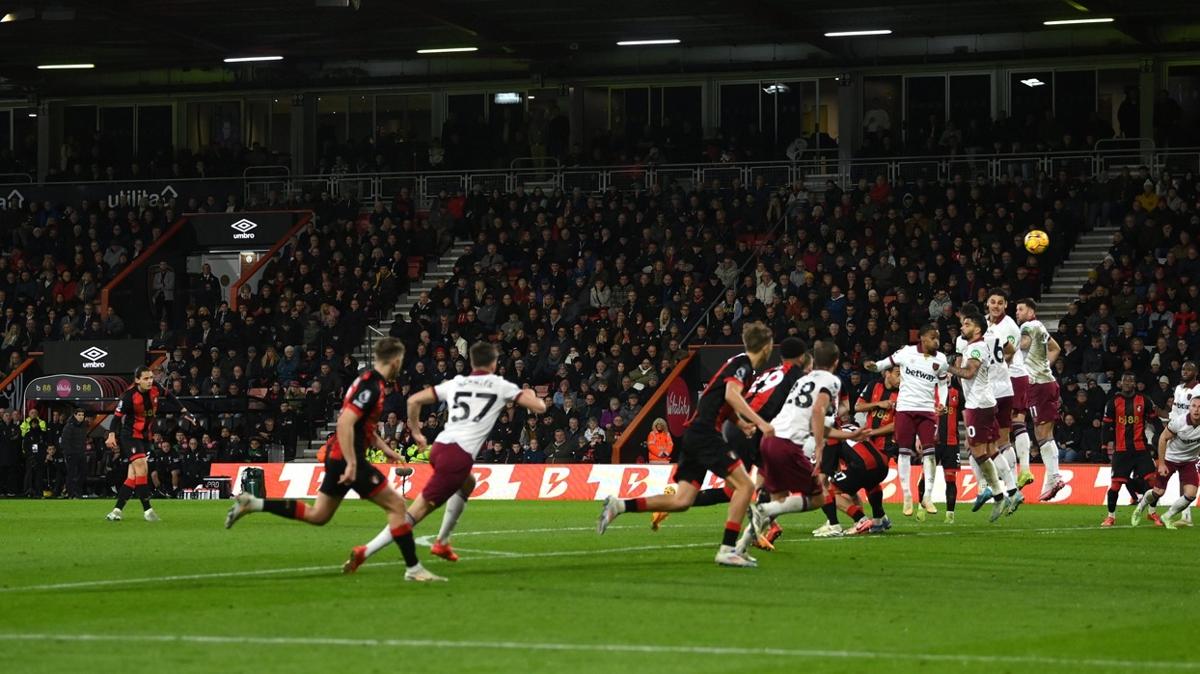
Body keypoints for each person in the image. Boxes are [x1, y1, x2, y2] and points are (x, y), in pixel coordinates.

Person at [225, 338, 445, 583]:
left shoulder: (367, 381)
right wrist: (352, 463)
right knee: (397, 506)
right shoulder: (372, 387)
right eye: (400, 361)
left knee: (318, 515)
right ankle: (414, 569)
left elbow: (363, 426)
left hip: (338, 455)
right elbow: (345, 422)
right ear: (394, 361)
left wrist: (385, 449)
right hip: (346, 457)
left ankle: (253, 504)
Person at [343, 341, 547, 573]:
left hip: (440, 446)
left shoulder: (457, 382)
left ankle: (442, 542)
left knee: (468, 482)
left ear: (471, 362)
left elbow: (413, 400)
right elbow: (540, 407)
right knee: (414, 513)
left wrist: (417, 432)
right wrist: (529, 393)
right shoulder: (500, 385)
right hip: (457, 456)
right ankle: (364, 551)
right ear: (493, 363)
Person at [596, 322, 777, 568]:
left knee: (682, 501)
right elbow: (730, 396)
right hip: (705, 433)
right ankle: (728, 549)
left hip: (695, 434)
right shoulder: (743, 365)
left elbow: (720, 399)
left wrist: (741, 423)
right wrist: (761, 423)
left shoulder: (738, 363)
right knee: (745, 486)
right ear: (766, 347)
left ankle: (619, 505)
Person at [650, 337, 807, 539]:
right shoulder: (795, 375)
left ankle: (766, 526)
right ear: (801, 358)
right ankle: (676, 500)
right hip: (749, 429)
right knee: (736, 490)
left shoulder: (770, 371)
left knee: (766, 480)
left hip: (748, 428)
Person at [751, 341, 865, 541]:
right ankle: (838, 521)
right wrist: (820, 446)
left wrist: (847, 434)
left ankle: (752, 535)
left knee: (779, 489)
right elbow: (818, 412)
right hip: (798, 441)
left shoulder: (801, 380)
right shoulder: (832, 381)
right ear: (836, 362)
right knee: (819, 490)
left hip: (771, 437)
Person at [864, 323, 949, 519]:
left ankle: (927, 496)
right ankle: (907, 496)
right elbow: (883, 364)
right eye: (933, 338)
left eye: (938, 338)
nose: (937, 342)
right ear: (922, 339)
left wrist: (942, 403)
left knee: (929, 453)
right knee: (904, 452)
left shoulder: (941, 360)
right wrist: (873, 366)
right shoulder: (906, 353)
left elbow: (943, 384)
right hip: (905, 409)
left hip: (927, 411)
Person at [946, 308, 1012, 521]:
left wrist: (945, 367)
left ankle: (997, 493)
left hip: (979, 405)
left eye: (966, 325)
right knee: (991, 449)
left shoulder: (976, 349)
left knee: (976, 450)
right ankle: (1007, 491)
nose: (962, 327)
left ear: (976, 328)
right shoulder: (975, 346)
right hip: (985, 402)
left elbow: (968, 373)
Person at [105, 367, 193, 522]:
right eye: (146, 378)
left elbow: (170, 396)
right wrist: (112, 435)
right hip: (130, 436)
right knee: (142, 469)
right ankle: (148, 511)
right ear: (137, 380)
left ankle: (116, 511)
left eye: (151, 378)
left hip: (146, 438)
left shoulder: (155, 388)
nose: (150, 381)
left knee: (133, 476)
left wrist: (184, 411)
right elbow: (116, 418)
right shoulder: (128, 396)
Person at [1015, 298, 1066, 501]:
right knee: (1042, 432)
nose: (1017, 312)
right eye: (1016, 309)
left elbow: (1024, 343)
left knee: (1043, 433)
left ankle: (1054, 477)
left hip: (1039, 386)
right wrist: (1044, 367)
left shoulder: (1028, 326)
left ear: (1031, 311)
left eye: (1021, 309)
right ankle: (1051, 478)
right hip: (1044, 383)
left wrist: (1005, 342)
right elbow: (1056, 348)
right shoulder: (1039, 326)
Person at [984, 290, 1027, 510]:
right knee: (992, 442)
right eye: (993, 302)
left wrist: (992, 369)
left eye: (1000, 303)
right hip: (991, 386)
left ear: (1006, 305)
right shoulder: (983, 324)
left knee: (995, 441)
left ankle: (1003, 485)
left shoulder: (1009, 326)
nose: (996, 306)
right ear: (987, 304)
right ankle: (1003, 487)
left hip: (1006, 382)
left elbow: (1008, 354)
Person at [1101, 374, 1161, 527]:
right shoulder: (1113, 402)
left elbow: (1155, 421)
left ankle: (1152, 512)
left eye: (1131, 380)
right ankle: (1110, 517)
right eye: (1125, 380)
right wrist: (1103, 445)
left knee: (1153, 481)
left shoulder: (1144, 400)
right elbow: (1106, 426)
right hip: (1121, 450)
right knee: (1115, 486)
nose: (1128, 383)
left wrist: (1161, 437)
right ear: (1120, 383)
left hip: (1141, 449)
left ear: (1135, 384)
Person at [1132, 397, 1200, 529]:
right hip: (1170, 459)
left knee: (1191, 494)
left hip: (1189, 461)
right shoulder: (1179, 422)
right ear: (1189, 408)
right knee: (1158, 492)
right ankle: (1140, 508)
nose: (1196, 409)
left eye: (1199, 406)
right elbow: (1163, 438)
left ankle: (1167, 516)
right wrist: (1162, 463)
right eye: (1194, 406)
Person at [1163, 361, 1199, 525]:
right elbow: (1175, 411)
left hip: (1194, 436)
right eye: (1183, 369)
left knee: (1188, 476)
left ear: (1195, 372)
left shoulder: (1198, 390)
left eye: (1189, 369)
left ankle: (1185, 515)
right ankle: (1186, 515)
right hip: (1178, 434)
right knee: (1183, 478)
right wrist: (1170, 427)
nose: (1185, 371)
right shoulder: (1178, 389)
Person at [59, 408, 88, 499]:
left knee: (82, 473)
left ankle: (77, 492)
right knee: (72, 474)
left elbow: (83, 440)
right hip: (72, 454)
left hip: (81, 453)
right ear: (75, 415)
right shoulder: (69, 426)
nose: (81, 417)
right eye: (79, 415)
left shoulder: (83, 426)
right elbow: (65, 441)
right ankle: (71, 493)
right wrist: (68, 453)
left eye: (82, 415)